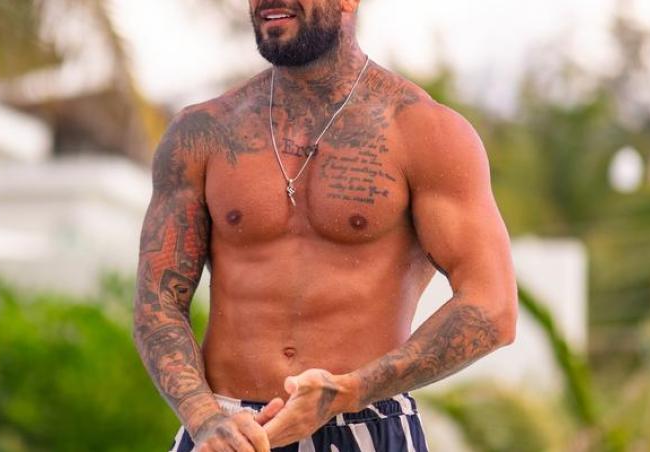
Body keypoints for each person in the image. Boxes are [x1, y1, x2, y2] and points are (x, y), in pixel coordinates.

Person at [133, 0, 518, 450]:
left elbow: (492, 307)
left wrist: (349, 390)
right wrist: (203, 417)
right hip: (224, 431)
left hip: (367, 422)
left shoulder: (424, 130)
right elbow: (158, 302)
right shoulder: (203, 133)